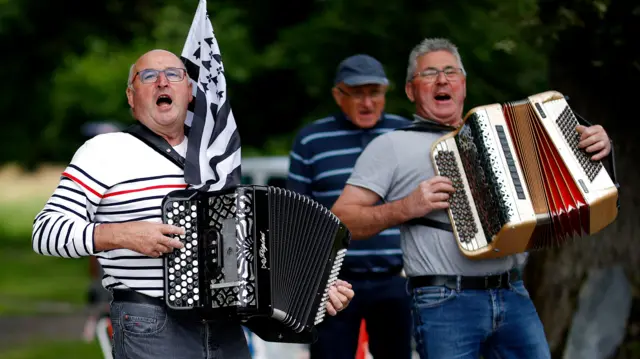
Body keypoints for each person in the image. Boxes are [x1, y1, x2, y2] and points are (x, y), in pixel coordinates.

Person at [32, 49, 354, 359]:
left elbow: (252, 250)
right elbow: (46, 232)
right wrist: (123, 234)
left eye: (173, 74)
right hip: (150, 321)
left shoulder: (215, 155)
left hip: (226, 328)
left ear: (189, 91)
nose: (162, 82)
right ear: (131, 97)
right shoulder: (104, 150)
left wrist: (313, 286)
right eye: (148, 76)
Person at [331, 38, 613, 359]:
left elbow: (566, 174)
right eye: (429, 73)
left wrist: (594, 147)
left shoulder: (504, 132)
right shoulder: (389, 146)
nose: (442, 80)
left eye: (451, 72)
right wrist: (405, 207)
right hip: (444, 301)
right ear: (411, 90)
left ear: (463, 85)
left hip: (513, 292)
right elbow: (342, 219)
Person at [287, 54, 413, 359]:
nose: (367, 102)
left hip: (396, 279)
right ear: (337, 95)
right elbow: (296, 217)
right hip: (333, 282)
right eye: (357, 93)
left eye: (375, 93)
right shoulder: (311, 140)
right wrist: (311, 281)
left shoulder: (407, 134)